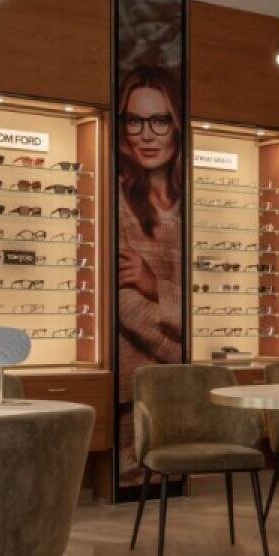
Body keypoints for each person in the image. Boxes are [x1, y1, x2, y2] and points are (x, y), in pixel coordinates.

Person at [115, 65, 187, 394]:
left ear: (176, 126)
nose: (146, 135)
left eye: (159, 120)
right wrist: (193, 360)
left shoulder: (196, 206)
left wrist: (154, 286)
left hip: (200, 389)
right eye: (134, 121)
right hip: (134, 392)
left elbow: (212, 303)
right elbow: (128, 307)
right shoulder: (112, 201)